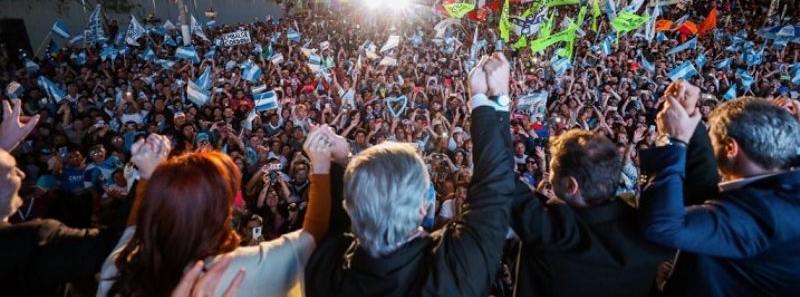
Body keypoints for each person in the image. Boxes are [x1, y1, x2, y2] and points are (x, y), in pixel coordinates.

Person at [305, 53, 515, 296]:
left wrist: (339, 160)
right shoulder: (453, 270)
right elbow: (496, 184)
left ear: (349, 207)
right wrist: (487, 95)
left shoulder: (324, 272)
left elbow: (325, 230)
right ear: (422, 209)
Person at [99, 127, 334, 297]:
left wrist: (151, 175)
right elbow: (313, 233)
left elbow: (135, 226)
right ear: (220, 211)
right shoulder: (242, 270)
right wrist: (321, 164)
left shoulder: (122, 263)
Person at [639, 93, 800, 296]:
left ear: (730, 148)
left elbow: (663, 226)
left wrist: (673, 141)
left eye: (712, 138)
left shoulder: (761, 214)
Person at [0, 99, 145, 297]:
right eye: (10, 171)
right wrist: (144, 176)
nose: (22, 175)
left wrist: (2, 146)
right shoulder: (35, 240)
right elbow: (113, 241)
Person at [508, 127, 672, 296]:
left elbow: (500, 178)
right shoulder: (646, 230)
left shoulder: (554, 232)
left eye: (553, 171)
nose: (549, 177)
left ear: (571, 185)